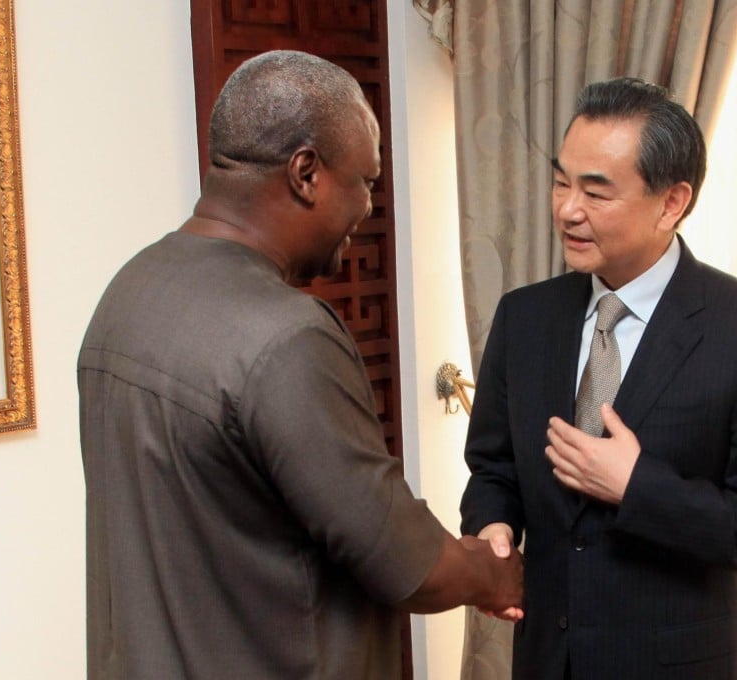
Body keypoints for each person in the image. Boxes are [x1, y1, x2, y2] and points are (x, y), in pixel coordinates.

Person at [78, 50, 523, 680]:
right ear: (306, 173)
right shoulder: (287, 337)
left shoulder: (128, 291)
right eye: (365, 181)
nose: (369, 206)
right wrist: (496, 573)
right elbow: (407, 564)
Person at [459, 77, 737, 679]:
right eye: (561, 180)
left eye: (597, 193)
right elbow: (494, 466)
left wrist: (636, 486)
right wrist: (493, 529)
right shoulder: (524, 317)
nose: (568, 209)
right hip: (548, 659)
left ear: (672, 202)